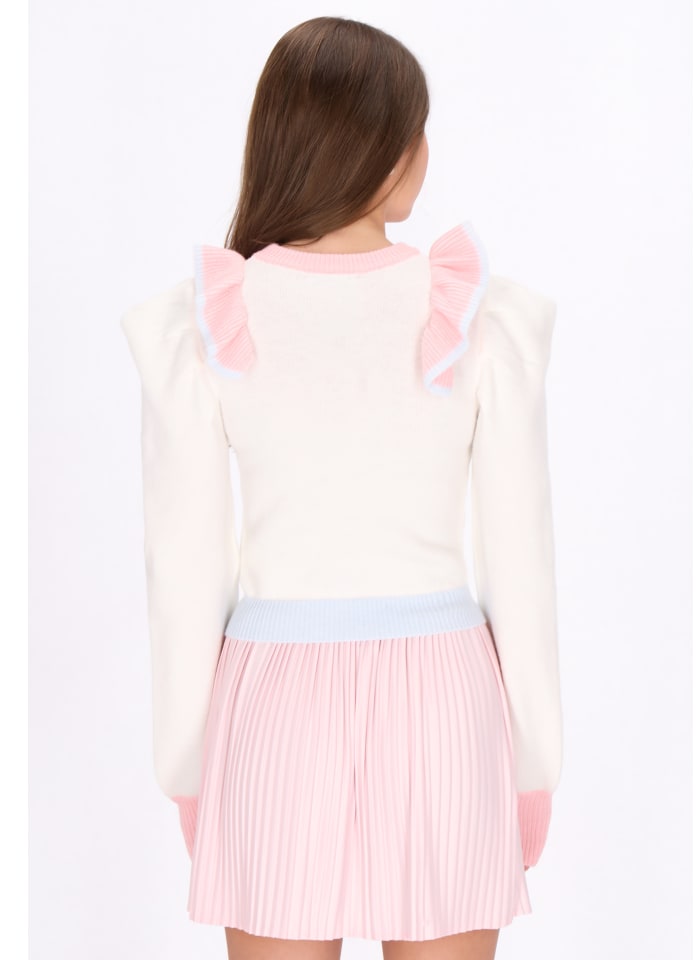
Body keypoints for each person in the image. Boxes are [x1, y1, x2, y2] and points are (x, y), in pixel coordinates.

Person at [120, 15, 563, 960]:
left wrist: (187, 767)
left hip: (271, 698)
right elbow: (520, 557)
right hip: (445, 696)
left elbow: (183, 570)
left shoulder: (206, 321)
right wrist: (534, 762)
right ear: (390, 147)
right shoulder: (483, 315)